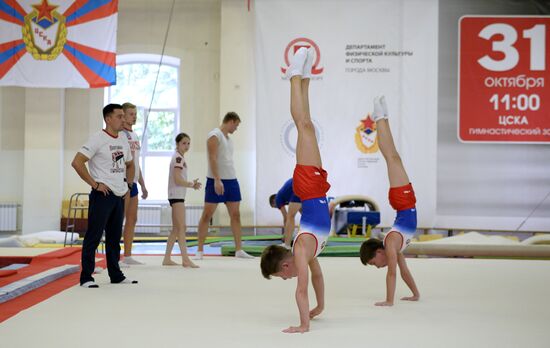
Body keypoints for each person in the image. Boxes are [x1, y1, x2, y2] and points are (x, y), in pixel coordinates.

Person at [260, 47, 331, 334]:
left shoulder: (300, 250)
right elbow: (316, 277)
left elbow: (301, 291)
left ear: (285, 266)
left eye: (281, 276)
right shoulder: (305, 256)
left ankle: (294, 77)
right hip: (316, 189)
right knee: (307, 127)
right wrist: (320, 307)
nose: (287, 280)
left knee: (303, 127)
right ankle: (304, 81)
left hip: (310, 187)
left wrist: (304, 324)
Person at [359, 95, 420, 306]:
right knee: (392, 157)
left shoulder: (392, 243)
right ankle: (382, 116)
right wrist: (415, 294)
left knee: (392, 157)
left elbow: (392, 274)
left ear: (378, 252)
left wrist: (388, 300)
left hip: (403, 202)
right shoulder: (394, 247)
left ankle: (380, 117)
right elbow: (403, 271)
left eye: (375, 263)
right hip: (405, 202)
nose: (378, 267)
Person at [71, 104, 138, 288]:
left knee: (115, 238)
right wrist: (95, 184)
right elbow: (77, 162)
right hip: (103, 195)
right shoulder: (98, 139)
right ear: (108, 119)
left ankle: (115, 274)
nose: (123, 119)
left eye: (124, 116)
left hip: (119, 194)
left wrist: (128, 185)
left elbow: (130, 164)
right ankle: (86, 277)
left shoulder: (123, 139)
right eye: (119, 116)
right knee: (93, 236)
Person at [194, 112, 254, 259]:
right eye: (237, 125)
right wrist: (217, 179)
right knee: (207, 215)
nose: (236, 128)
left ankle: (239, 250)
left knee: (236, 215)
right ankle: (200, 250)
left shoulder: (229, 139)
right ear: (231, 121)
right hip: (216, 180)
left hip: (231, 180)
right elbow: (212, 158)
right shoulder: (214, 135)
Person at [163, 133, 202, 268]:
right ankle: (185, 259)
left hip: (176, 195)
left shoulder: (179, 157)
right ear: (178, 144)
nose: (187, 146)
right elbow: (177, 179)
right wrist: (192, 184)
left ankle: (167, 258)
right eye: (184, 143)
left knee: (176, 229)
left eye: (188, 143)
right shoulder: (178, 158)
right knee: (181, 228)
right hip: (176, 195)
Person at [120, 102, 148, 266]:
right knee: (119, 219)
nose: (134, 116)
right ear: (123, 115)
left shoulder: (135, 135)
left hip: (134, 183)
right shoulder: (120, 135)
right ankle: (114, 255)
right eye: (131, 113)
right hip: (124, 182)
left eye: (135, 113)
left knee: (132, 219)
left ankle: (128, 255)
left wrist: (143, 184)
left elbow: (136, 163)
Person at [269, 178, 301, 247]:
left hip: (296, 185)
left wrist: (285, 235)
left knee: (290, 217)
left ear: (274, 201)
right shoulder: (286, 196)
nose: (278, 207)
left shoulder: (278, 199)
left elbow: (285, 217)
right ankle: (305, 236)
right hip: (301, 184)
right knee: (305, 216)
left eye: (275, 207)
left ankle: (287, 244)